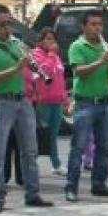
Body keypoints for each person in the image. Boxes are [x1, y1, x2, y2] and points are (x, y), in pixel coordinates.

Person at [0, 4, 52, 212]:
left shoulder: (16, 42)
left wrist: (32, 66)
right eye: (2, 24)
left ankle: (33, 194)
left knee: (30, 150)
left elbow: (27, 68)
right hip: (0, 102)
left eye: (9, 23)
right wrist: (16, 68)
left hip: (23, 101)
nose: (7, 28)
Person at [63, 9, 108, 202]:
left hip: (105, 103)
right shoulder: (77, 46)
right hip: (85, 104)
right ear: (84, 26)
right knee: (78, 147)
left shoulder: (104, 47)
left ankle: (99, 184)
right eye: (93, 24)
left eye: (100, 24)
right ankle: (71, 187)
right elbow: (79, 72)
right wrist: (100, 60)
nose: (97, 28)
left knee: (103, 147)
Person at [31, 28, 69, 175]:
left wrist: (64, 99)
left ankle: (56, 164)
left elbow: (60, 78)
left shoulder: (56, 57)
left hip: (56, 102)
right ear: (40, 41)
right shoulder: (36, 54)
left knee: (53, 134)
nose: (51, 42)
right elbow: (43, 71)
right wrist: (51, 55)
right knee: (40, 134)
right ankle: (31, 164)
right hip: (43, 101)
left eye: (53, 39)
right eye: (48, 39)